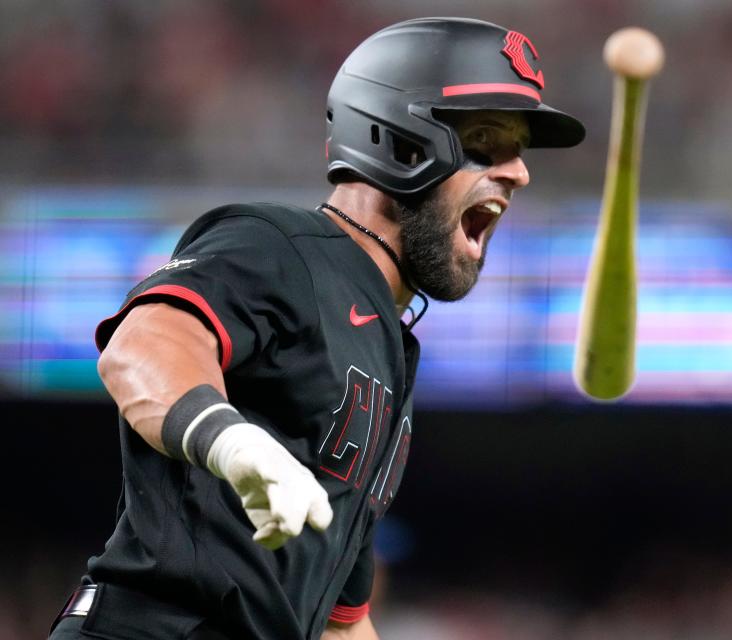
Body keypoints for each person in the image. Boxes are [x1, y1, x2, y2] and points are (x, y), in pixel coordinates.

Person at [49, 16, 584, 640]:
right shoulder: (283, 245)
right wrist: (230, 441)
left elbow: (339, 623)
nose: (519, 173)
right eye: (488, 142)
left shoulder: (390, 346)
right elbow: (142, 343)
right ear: (401, 142)